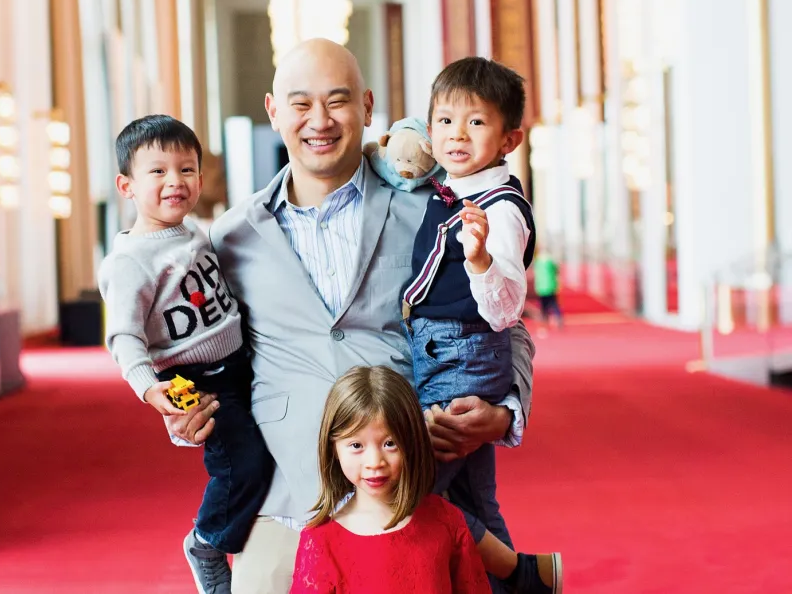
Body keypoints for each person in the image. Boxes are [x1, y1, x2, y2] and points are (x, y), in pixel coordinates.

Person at [167, 39, 538, 594]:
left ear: (367, 108)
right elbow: (207, 353)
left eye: (337, 101)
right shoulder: (232, 237)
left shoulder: (429, 210)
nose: (319, 121)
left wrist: (507, 412)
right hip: (290, 500)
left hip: (414, 488)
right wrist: (181, 413)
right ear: (273, 111)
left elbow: (506, 323)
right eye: (300, 104)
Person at [397, 58, 559, 592]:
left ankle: (518, 573)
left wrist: (481, 260)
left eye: (475, 122)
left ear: (509, 138)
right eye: (443, 121)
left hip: (463, 358)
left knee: (415, 494)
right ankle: (526, 583)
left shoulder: (501, 210)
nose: (456, 135)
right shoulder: (450, 185)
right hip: (441, 352)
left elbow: (505, 310)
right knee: (475, 500)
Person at [97, 115, 272, 594]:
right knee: (242, 463)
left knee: (269, 451)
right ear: (126, 185)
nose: (175, 181)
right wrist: (148, 388)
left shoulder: (192, 231)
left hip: (241, 362)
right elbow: (125, 337)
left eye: (187, 169)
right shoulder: (130, 261)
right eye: (158, 172)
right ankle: (208, 542)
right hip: (196, 378)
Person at [290, 365, 491, 593]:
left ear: (412, 442)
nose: (375, 461)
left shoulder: (447, 520)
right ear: (333, 448)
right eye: (356, 445)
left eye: (390, 443)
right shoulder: (319, 541)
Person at [532, 249, 563, 332]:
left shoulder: (537, 262)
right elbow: (557, 271)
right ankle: (559, 320)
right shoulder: (550, 261)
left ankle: (544, 323)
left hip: (541, 287)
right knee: (554, 304)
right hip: (551, 286)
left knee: (543, 307)